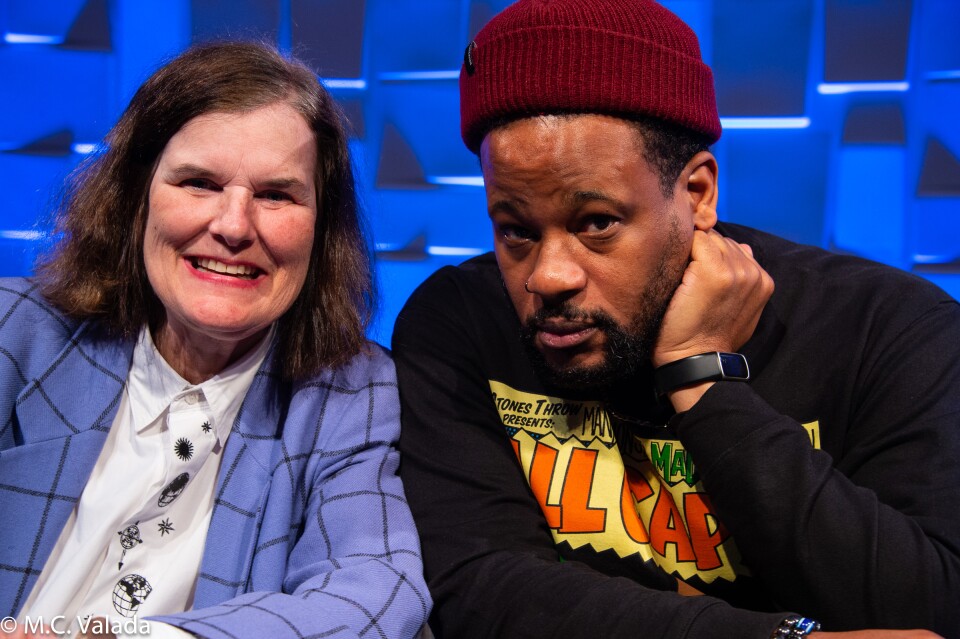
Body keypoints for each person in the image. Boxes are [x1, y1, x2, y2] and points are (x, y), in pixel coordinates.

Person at [391, 1, 960, 638]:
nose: (547, 276)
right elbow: (478, 592)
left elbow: (927, 612)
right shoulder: (456, 326)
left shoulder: (888, 329)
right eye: (516, 230)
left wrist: (704, 380)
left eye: (596, 223)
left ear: (696, 195)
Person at [0, 41, 429, 638]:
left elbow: (378, 592)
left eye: (276, 195)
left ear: (321, 230)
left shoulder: (349, 393)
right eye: (199, 183)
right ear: (136, 198)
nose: (233, 226)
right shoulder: (12, 330)